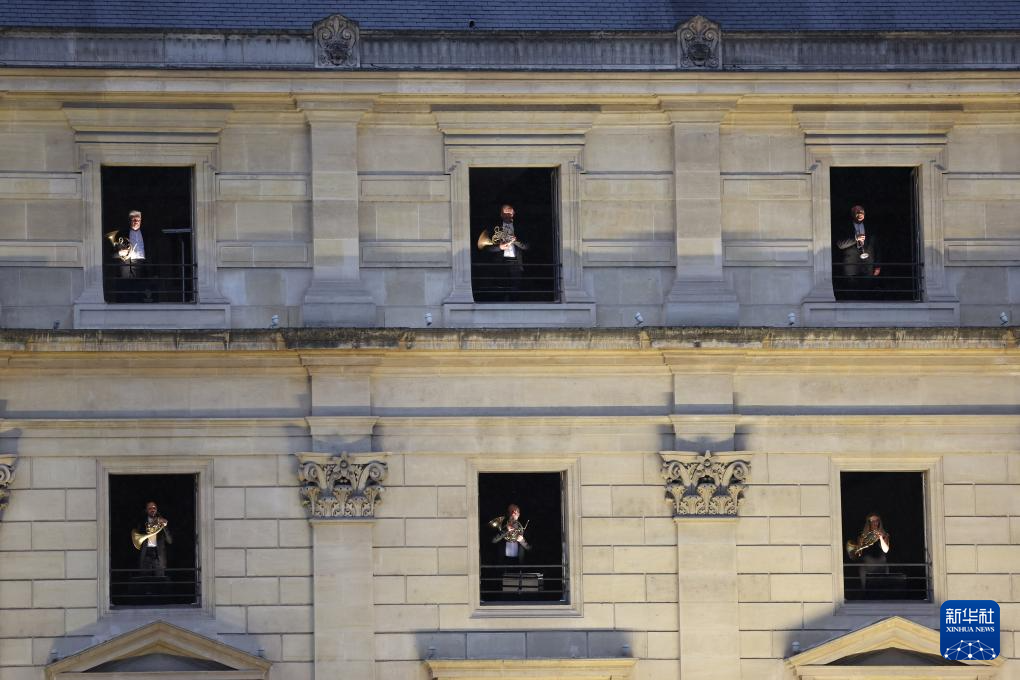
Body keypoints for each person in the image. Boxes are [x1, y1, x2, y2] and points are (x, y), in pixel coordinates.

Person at [479, 204, 528, 298]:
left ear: (513, 214)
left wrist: (516, 241)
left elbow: (526, 247)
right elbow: (486, 248)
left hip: (516, 262)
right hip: (499, 262)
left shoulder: (521, 228)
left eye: (510, 213)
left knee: (516, 289)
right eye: (505, 213)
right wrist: (499, 247)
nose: (508, 215)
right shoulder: (493, 229)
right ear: (501, 214)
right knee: (500, 288)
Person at [835, 204, 880, 295]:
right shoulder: (844, 227)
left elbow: (877, 247)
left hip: (868, 266)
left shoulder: (871, 228)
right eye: (857, 212)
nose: (860, 214)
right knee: (852, 292)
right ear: (852, 214)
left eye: (862, 212)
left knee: (868, 293)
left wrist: (878, 265)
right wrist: (855, 239)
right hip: (851, 266)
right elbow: (840, 245)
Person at [846, 512, 891, 592]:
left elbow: (886, 550)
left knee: (885, 565)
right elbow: (859, 554)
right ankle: (864, 591)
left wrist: (880, 537)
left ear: (879, 522)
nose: (874, 523)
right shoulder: (863, 536)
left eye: (876, 521)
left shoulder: (885, 535)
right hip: (868, 564)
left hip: (881, 563)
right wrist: (859, 547)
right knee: (862, 568)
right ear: (868, 523)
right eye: (872, 521)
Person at [135, 500, 172, 578]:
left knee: (160, 581)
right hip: (146, 554)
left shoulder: (161, 521)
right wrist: (151, 526)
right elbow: (137, 538)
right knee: (145, 581)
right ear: (146, 510)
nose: (152, 509)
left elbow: (170, 541)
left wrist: (164, 526)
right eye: (150, 508)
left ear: (157, 509)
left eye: (154, 507)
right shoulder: (142, 523)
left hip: (158, 555)